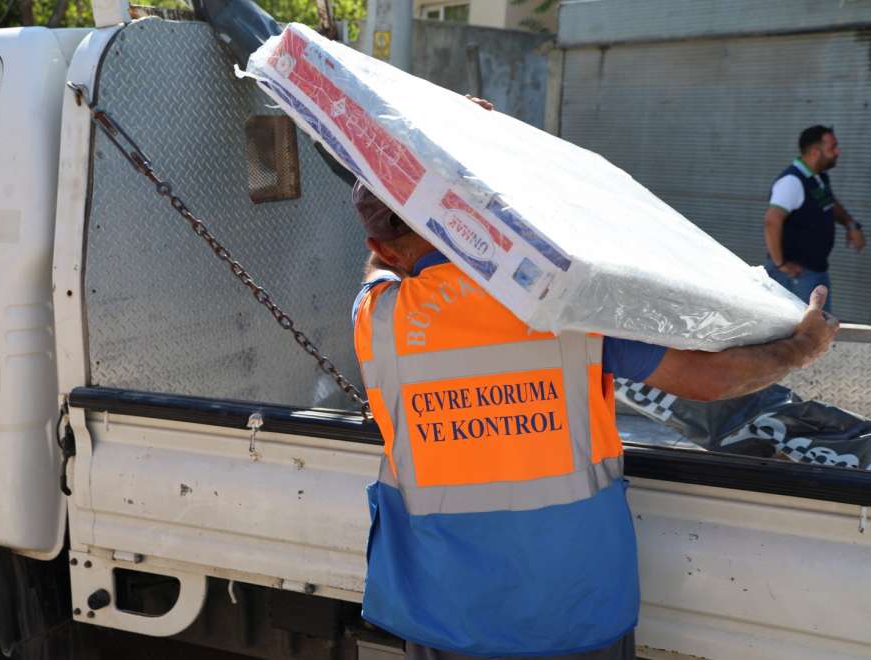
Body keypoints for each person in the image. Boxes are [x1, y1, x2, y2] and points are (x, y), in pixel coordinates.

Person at [350, 182, 838, 660]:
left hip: (444, 611)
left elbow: (381, 268)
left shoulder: (376, 317)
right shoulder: (564, 302)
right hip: (574, 605)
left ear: (382, 248)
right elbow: (711, 378)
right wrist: (803, 345)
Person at [764, 125, 865, 311]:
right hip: (795, 276)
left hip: (814, 271)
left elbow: (829, 203)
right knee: (802, 326)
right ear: (815, 152)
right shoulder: (792, 182)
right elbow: (772, 221)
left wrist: (850, 224)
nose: (837, 152)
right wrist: (781, 264)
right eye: (832, 147)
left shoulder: (817, 177)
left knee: (819, 325)